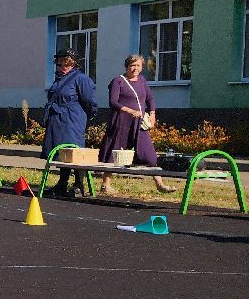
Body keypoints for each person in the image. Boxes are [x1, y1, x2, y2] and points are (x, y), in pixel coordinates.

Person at [99, 54, 172, 194]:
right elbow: (113, 102)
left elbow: (150, 98)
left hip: (139, 124)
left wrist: (152, 114)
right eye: (132, 65)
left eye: (138, 65)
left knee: (149, 153)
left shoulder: (142, 81)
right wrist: (130, 111)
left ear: (142, 67)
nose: (135, 68)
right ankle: (105, 185)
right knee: (114, 153)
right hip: (121, 122)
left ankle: (160, 184)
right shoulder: (118, 81)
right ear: (127, 66)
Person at [43, 49, 97, 198]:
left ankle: (79, 185)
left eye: (65, 63)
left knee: (76, 151)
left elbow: (89, 101)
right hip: (58, 120)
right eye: (59, 64)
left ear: (72, 63)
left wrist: (85, 117)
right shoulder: (59, 79)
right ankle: (62, 184)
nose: (61, 66)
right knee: (63, 153)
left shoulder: (81, 79)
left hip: (73, 119)